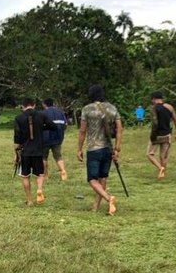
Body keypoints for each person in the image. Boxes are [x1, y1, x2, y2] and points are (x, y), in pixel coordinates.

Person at [76, 85, 122, 216]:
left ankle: (108, 199)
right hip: (108, 148)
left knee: (92, 179)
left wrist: (79, 149)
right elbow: (119, 129)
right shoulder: (112, 108)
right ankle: (96, 206)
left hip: (94, 148)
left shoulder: (87, 109)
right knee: (103, 177)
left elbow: (82, 130)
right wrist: (117, 148)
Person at [14, 98, 57, 206]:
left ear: (23, 106)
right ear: (34, 105)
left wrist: (16, 154)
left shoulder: (19, 118)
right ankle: (39, 189)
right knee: (40, 174)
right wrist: (41, 128)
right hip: (38, 150)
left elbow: (17, 138)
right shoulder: (41, 115)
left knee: (25, 176)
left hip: (25, 152)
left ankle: (29, 200)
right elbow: (53, 126)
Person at [146, 92, 176, 180]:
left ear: (154, 99)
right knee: (163, 156)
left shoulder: (153, 109)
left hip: (157, 135)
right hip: (167, 135)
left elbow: (155, 123)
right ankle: (163, 175)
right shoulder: (169, 107)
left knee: (150, 154)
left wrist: (152, 135)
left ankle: (160, 168)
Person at [42, 98, 68, 181]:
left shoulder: (43, 113)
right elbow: (65, 124)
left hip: (45, 138)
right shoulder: (60, 112)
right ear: (53, 104)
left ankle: (45, 175)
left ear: (44, 104)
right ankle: (63, 170)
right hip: (58, 138)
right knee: (58, 156)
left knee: (43, 157)